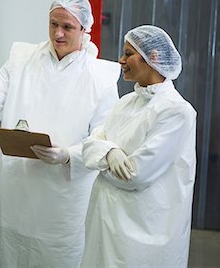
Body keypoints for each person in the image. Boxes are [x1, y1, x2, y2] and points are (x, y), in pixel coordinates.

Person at [0, 0, 120, 267]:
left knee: (57, 257)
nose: (58, 34)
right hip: (18, 188)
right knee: (12, 253)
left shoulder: (100, 77)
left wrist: (68, 155)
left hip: (64, 197)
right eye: (54, 24)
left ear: (85, 29)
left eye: (67, 27)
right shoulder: (23, 58)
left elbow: (103, 137)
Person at [80, 25, 197, 267]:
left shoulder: (176, 111)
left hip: (142, 233)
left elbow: (134, 174)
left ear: (153, 57)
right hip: (106, 224)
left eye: (128, 53)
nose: (121, 60)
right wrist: (110, 152)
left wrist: (103, 151)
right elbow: (91, 143)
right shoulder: (126, 103)